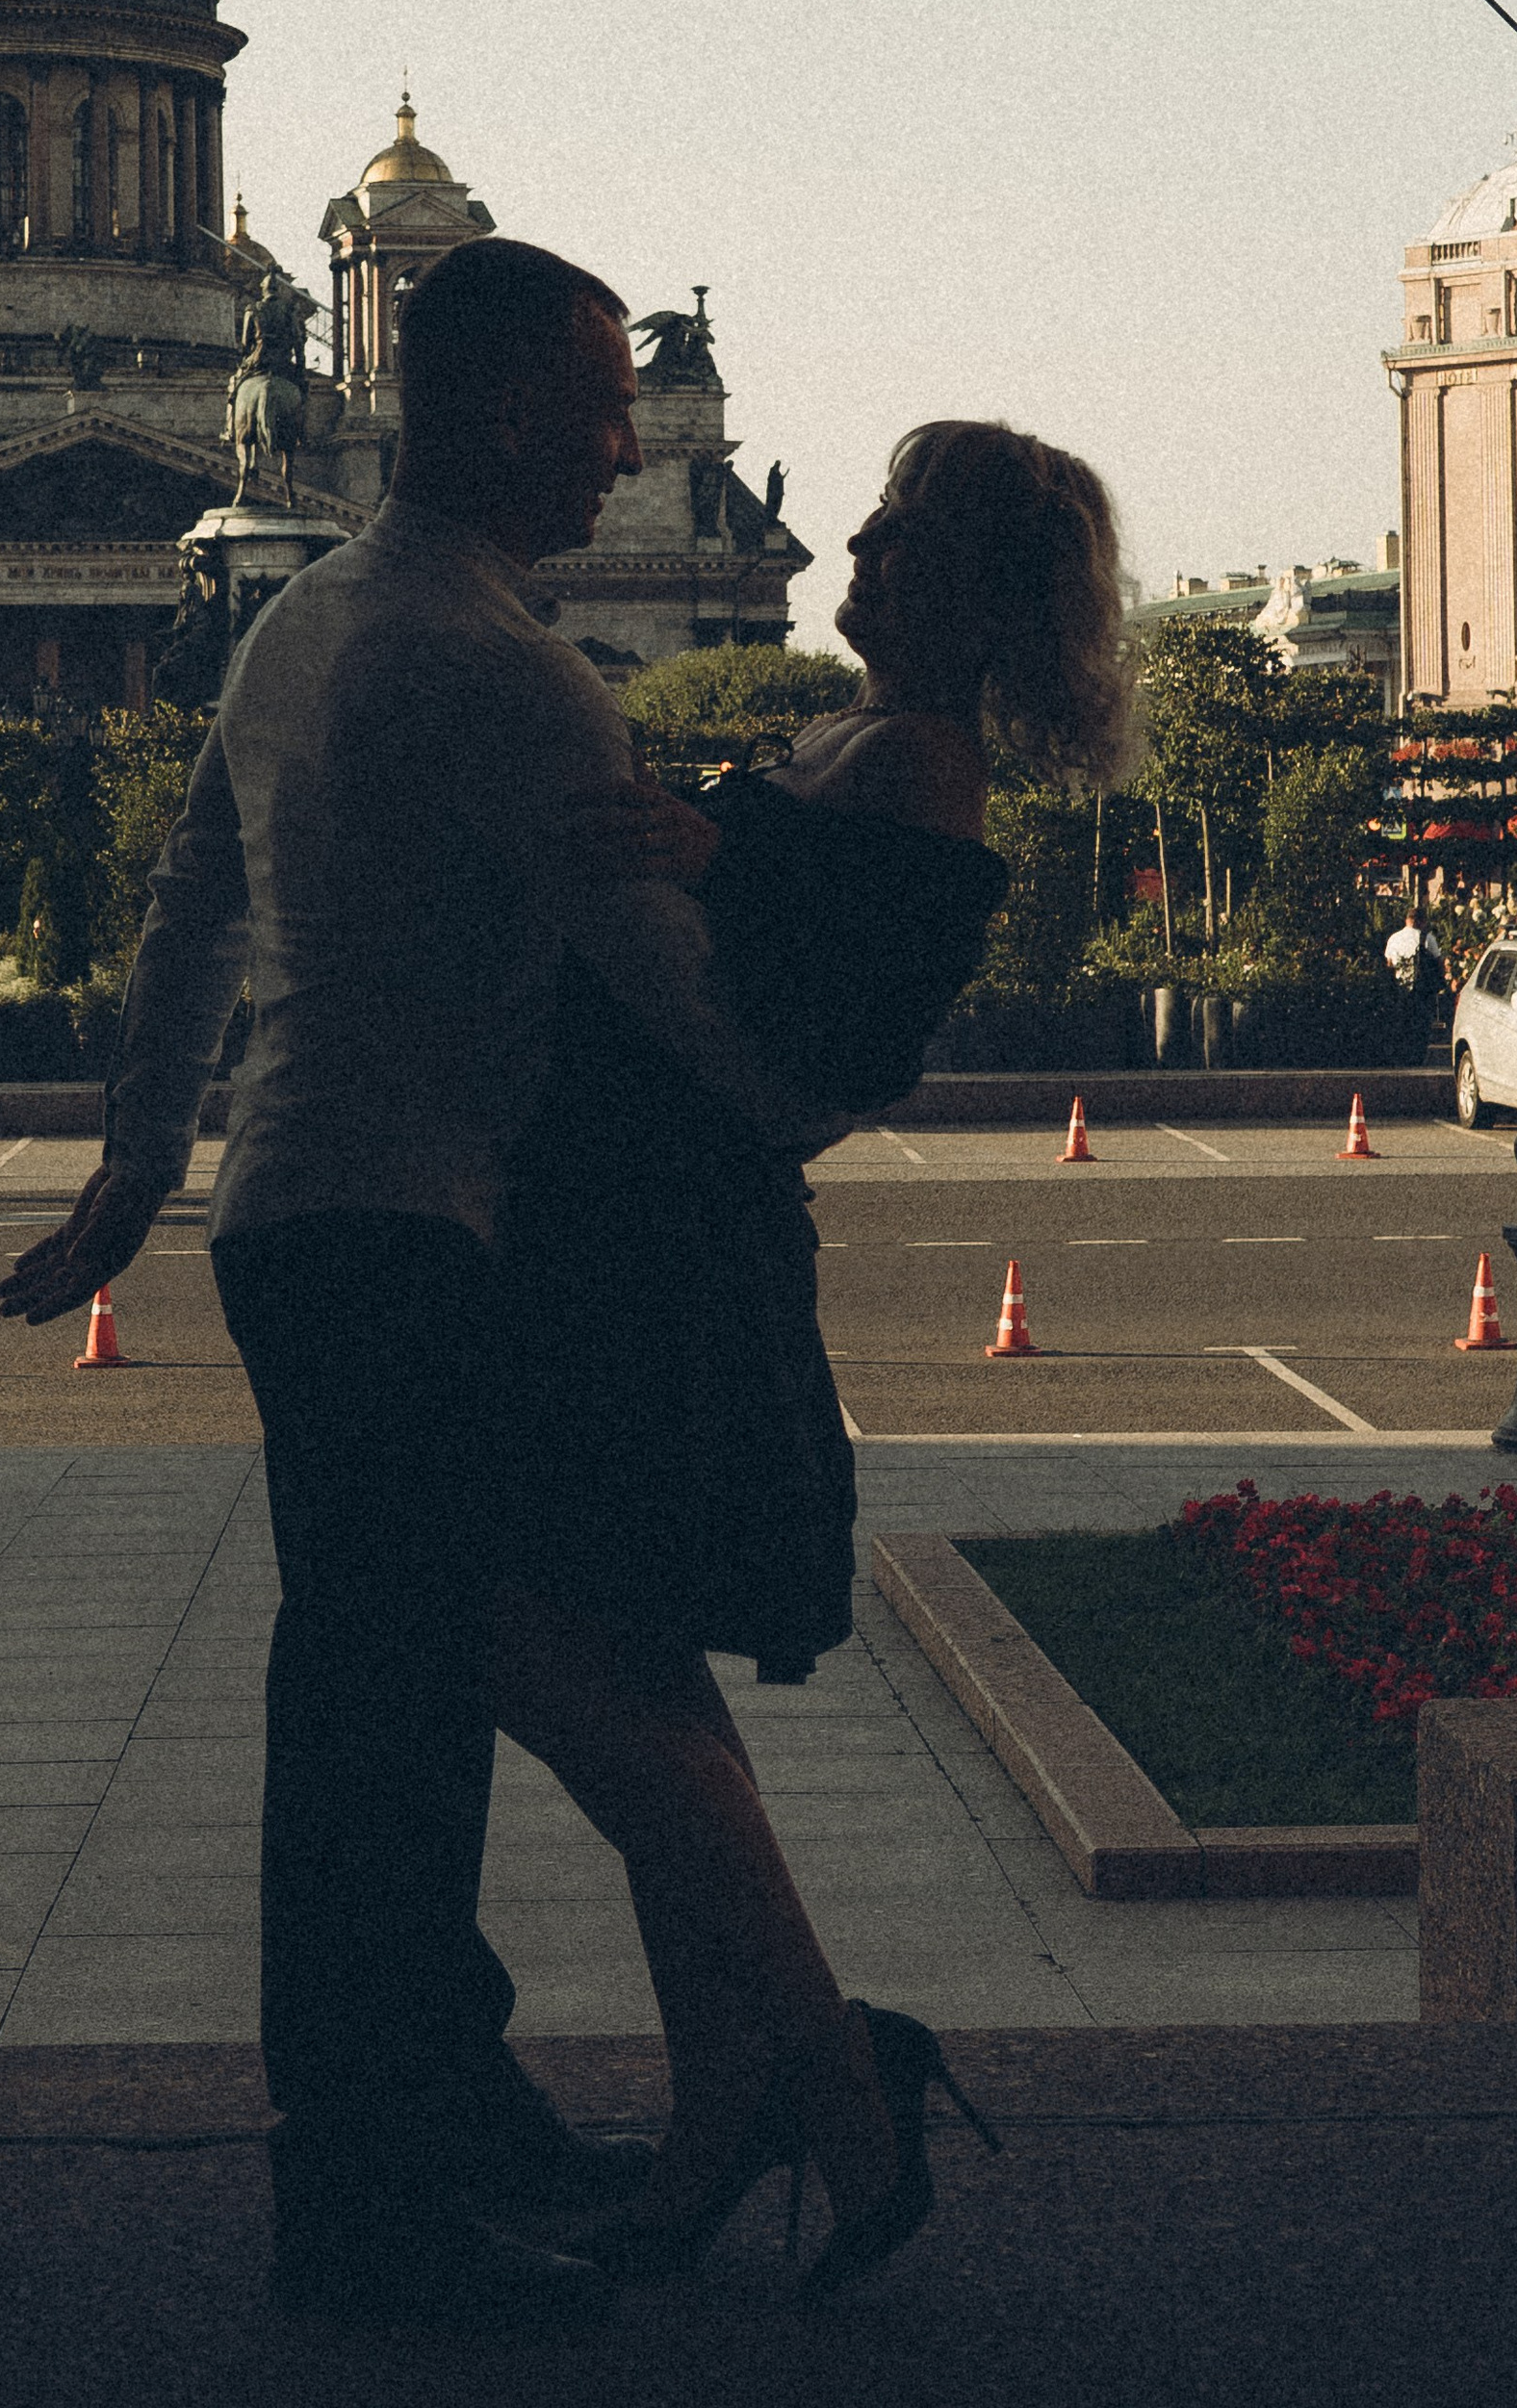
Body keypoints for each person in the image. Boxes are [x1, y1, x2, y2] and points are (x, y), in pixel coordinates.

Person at [0, 238, 815, 2336]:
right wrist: (819, 1071)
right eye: (600, 401)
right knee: (378, 1748)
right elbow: (676, 998)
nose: (632, 445)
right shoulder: (493, 668)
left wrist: (133, 1161)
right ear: (479, 406)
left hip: (305, 1216)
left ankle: (444, 2109)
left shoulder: (304, 616)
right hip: (406, 1236)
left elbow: (191, 902)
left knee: (393, 1707)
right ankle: (360, 2201)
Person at [490, 417, 1133, 2304]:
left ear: (972, 590)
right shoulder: (875, 748)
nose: (846, 537)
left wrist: (700, 845)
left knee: (544, 1640)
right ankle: (741, 2121)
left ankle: (828, 2079)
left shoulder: (921, 768)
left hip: (663, 1264)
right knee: (636, 1676)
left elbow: (843, 1031)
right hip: (639, 1241)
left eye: (900, 526)